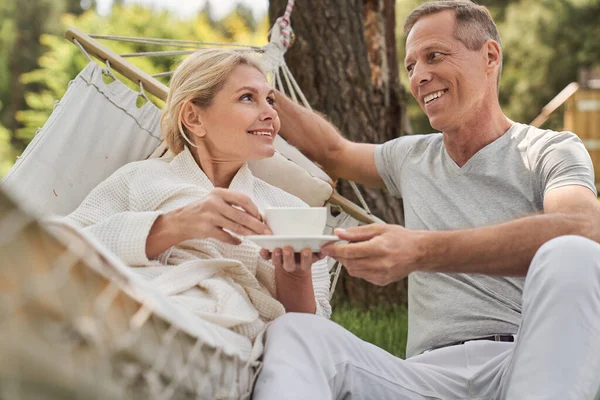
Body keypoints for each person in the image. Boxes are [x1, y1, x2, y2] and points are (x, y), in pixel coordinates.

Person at [252, 1, 600, 399]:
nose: (419, 76)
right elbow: (333, 152)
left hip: (525, 365)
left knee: (575, 254)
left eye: (433, 56)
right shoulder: (409, 156)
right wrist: (260, 93)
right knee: (294, 332)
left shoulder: (548, 150)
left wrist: (420, 250)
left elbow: (585, 229)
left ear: (489, 56)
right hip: (424, 378)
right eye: (411, 66)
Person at [65, 49, 331, 343]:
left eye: (270, 100)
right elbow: (60, 247)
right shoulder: (140, 178)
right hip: (137, 313)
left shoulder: (291, 210)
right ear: (193, 117)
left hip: (228, 342)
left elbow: (311, 334)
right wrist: (177, 225)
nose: (270, 113)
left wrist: (293, 275)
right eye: (247, 98)